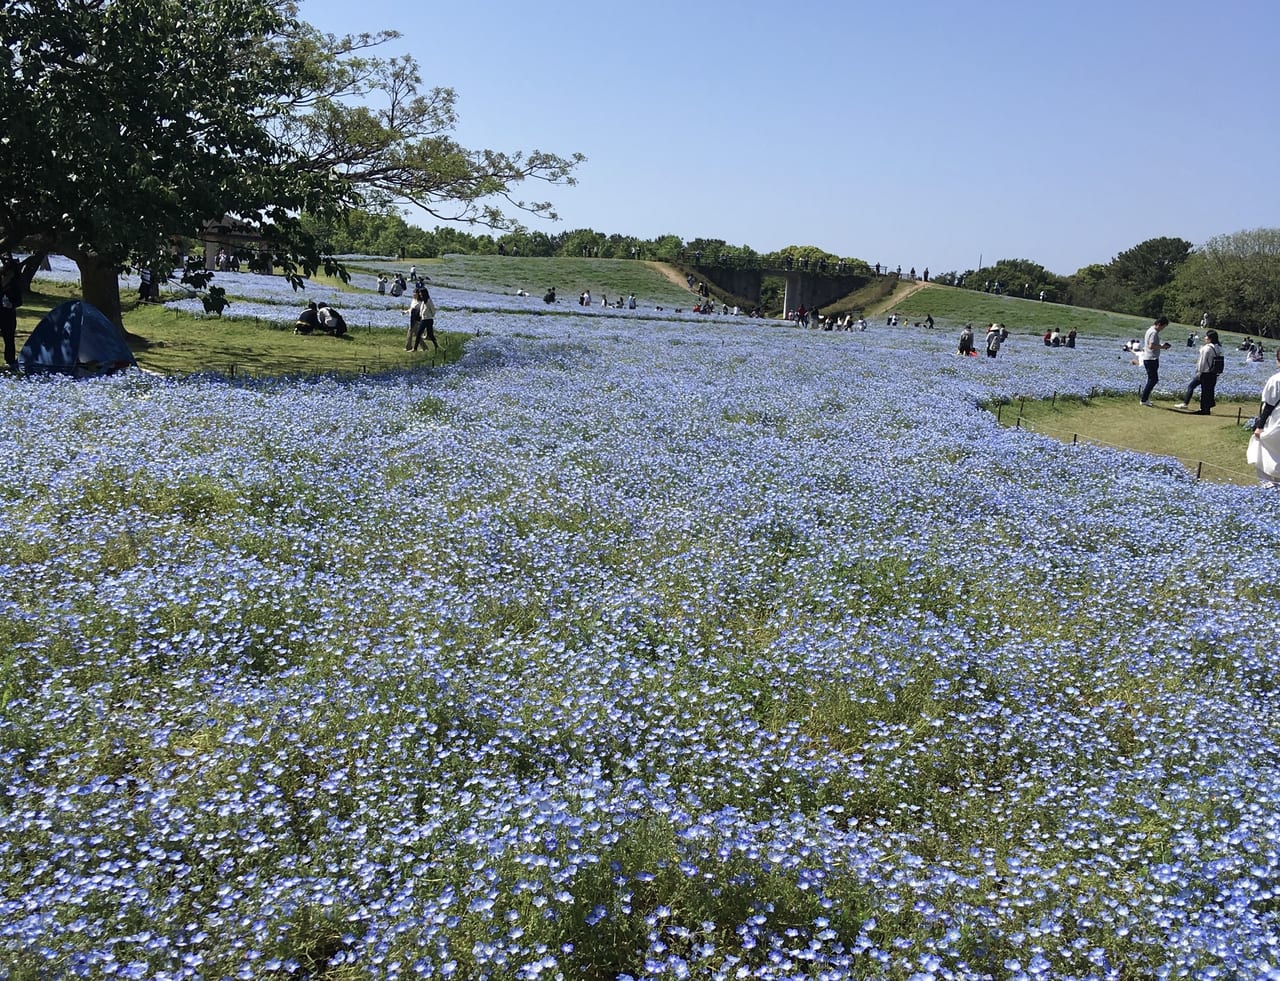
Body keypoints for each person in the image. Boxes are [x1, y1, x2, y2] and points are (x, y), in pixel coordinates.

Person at [1176, 330, 1223, 414]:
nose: (1205, 338)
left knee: (1202, 390)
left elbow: (1202, 362)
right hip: (1214, 372)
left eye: (1206, 336)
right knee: (1209, 391)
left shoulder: (1207, 348)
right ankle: (1206, 408)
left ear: (1210, 338)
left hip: (1205, 372)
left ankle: (1203, 409)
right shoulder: (1219, 347)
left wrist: (1199, 371)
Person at [1252, 348, 1280, 485]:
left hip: (1276, 424)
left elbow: (1268, 405)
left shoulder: (1276, 379)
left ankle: (1269, 488)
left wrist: (1259, 426)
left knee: (1261, 451)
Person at [1139, 316, 1171, 406]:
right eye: (1163, 327)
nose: (1163, 329)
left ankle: (1145, 399)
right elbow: (1151, 346)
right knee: (1153, 379)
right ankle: (1144, 399)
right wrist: (1163, 347)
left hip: (1149, 358)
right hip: (1151, 358)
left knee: (1152, 379)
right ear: (1159, 325)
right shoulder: (1154, 332)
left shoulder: (1150, 330)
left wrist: (1161, 345)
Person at [0, 257, 22, 367]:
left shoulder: (15, 285)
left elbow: (19, 301)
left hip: (8, 314)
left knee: (9, 338)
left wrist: (11, 305)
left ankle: (10, 361)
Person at [406, 286, 438, 352]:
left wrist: (429, 316)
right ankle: (415, 349)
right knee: (418, 334)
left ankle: (436, 346)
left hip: (428, 320)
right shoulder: (423, 301)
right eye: (419, 293)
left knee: (430, 335)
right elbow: (421, 310)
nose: (420, 294)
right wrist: (421, 315)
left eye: (421, 293)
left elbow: (433, 311)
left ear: (424, 293)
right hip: (423, 320)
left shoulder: (429, 301)